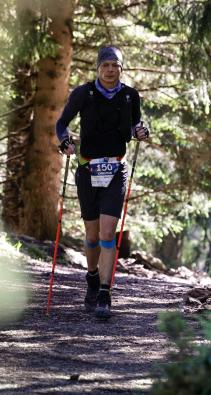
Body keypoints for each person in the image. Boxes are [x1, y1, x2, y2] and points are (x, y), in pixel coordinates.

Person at [55, 45, 148, 319]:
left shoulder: (130, 95)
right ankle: (92, 277)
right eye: (105, 65)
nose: (110, 70)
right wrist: (64, 141)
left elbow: (135, 123)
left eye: (115, 65)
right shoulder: (82, 93)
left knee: (108, 234)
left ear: (121, 69)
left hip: (116, 170)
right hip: (88, 170)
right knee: (93, 236)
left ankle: (105, 295)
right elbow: (62, 123)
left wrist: (140, 130)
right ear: (98, 67)